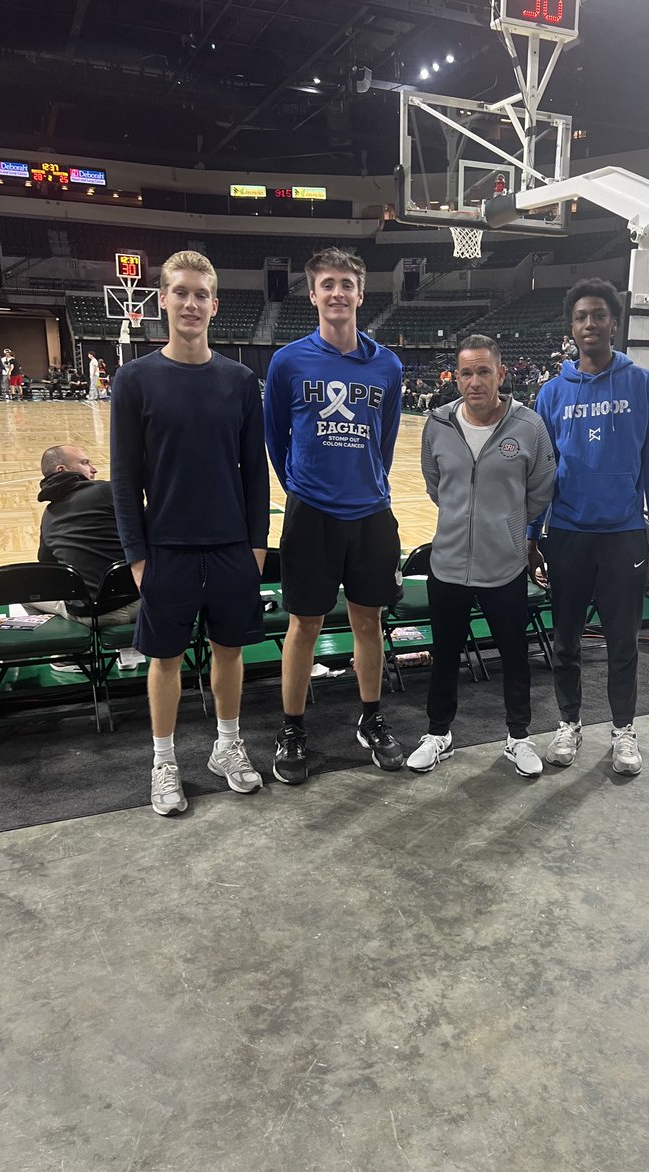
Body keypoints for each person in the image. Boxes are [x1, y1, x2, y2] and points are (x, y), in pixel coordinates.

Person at [111, 250, 269, 816]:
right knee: (166, 661)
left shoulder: (241, 380)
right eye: (180, 292)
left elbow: (256, 472)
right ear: (163, 301)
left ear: (215, 304)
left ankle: (227, 748)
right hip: (166, 549)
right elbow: (124, 480)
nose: (191, 303)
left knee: (230, 652)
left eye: (201, 294)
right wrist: (137, 557)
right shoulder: (134, 380)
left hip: (231, 548)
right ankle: (164, 761)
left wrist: (256, 546)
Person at [263, 246, 404, 786]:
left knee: (369, 621)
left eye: (347, 283)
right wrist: (298, 486)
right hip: (312, 514)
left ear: (361, 294)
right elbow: (275, 436)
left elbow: (385, 440)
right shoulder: (289, 361)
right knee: (304, 624)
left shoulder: (387, 365)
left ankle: (371, 717)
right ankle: (293, 727)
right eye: (328, 284)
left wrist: (366, 481)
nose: (338, 292)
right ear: (314, 293)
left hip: (371, 514)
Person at [528, 278, 649, 777]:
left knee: (622, 641)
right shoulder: (551, 393)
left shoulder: (647, 387)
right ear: (572, 327)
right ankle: (569, 723)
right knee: (565, 639)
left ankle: (624, 730)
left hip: (625, 534)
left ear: (614, 322)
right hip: (567, 534)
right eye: (581, 316)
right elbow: (541, 473)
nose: (590, 324)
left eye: (599, 315)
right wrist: (532, 536)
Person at [408, 334, 555, 777]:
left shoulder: (528, 426)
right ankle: (438, 734)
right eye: (466, 372)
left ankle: (518, 737)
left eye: (484, 371)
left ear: (501, 374)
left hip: (504, 566)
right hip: (448, 565)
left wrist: (507, 528)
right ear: (456, 376)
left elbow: (541, 487)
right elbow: (436, 485)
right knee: (446, 655)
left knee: (514, 656)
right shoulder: (437, 425)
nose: (475, 381)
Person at [30, 444, 140, 627]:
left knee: (23, 591)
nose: (94, 469)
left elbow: (47, 567)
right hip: (136, 604)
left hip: (85, 616)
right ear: (61, 469)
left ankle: (65, 646)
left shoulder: (48, 517)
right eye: (85, 462)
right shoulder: (105, 491)